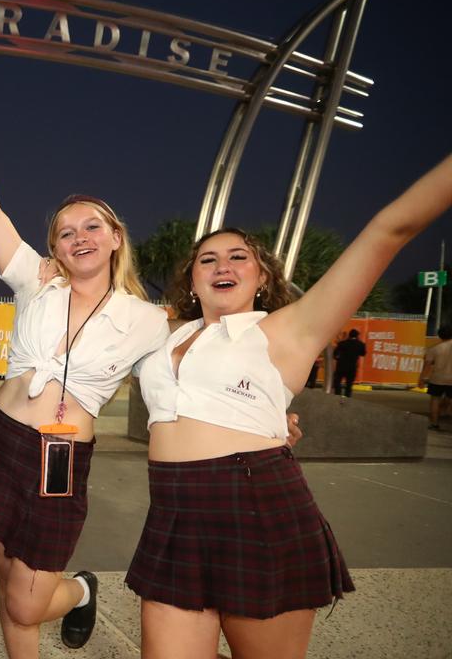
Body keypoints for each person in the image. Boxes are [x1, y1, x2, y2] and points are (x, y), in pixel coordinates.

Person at [129, 153, 452, 658]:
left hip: (257, 509)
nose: (222, 266)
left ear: (263, 277)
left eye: (239, 257)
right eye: (207, 259)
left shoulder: (288, 328)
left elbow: (390, 228)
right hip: (172, 510)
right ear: (192, 280)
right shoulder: (167, 336)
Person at [0, 96, 169, 658]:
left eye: (92, 227)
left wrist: (272, 419)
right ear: (55, 247)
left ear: (114, 237)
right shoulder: (38, 281)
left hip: (57, 464)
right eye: (65, 232)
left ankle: (81, 590)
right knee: (8, 574)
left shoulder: (148, 321)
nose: (78, 237)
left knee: (28, 599)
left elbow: (178, 386)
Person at [420, 325, 452, 430]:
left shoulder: (433, 349)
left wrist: (421, 379)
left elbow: (427, 365)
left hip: (437, 379)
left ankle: (434, 423)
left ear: (439, 335)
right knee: (449, 400)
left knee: (434, 400)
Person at [331, 328, 367, 397]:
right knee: (349, 384)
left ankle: (337, 395)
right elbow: (363, 353)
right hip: (352, 367)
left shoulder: (342, 343)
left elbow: (335, 353)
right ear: (357, 336)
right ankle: (347, 398)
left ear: (349, 335)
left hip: (341, 366)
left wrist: (337, 358)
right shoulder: (361, 344)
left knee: (337, 382)